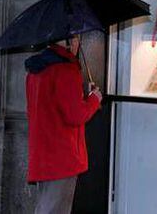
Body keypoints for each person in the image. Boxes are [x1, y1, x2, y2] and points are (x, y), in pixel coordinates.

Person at [24, 35, 102, 214]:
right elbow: (76, 115)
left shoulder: (36, 69)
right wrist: (94, 100)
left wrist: (84, 98)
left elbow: (50, 108)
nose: (78, 43)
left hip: (43, 154)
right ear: (68, 41)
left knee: (45, 207)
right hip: (63, 158)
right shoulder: (66, 70)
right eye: (76, 38)